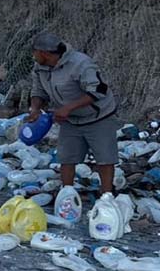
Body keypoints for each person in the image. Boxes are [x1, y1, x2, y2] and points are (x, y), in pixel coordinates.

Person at [27, 31, 119, 195]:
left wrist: (68, 108)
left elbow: (98, 90)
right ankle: (66, 193)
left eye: (34, 52)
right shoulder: (40, 67)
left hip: (98, 117)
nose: (33, 56)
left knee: (105, 158)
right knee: (66, 157)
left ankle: (107, 197)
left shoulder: (81, 64)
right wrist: (34, 109)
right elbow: (38, 90)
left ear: (43, 53)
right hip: (70, 119)